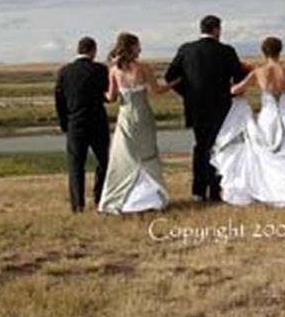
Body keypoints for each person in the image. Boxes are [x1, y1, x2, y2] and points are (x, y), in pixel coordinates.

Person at [211, 36, 285, 207]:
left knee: (266, 156)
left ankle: (270, 191)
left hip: (267, 119)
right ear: (280, 50)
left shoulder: (258, 72)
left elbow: (236, 89)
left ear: (263, 52)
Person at [165, 15, 247, 202]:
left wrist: (187, 93)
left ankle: (198, 191)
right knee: (220, 145)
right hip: (222, 107)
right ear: (216, 29)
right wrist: (230, 93)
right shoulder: (226, 51)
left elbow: (170, 76)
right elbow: (238, 79)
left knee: (201, 146)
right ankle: (216, 190)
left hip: (196, 106)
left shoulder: (186, 50)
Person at [97, 33, 175, 214]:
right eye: (138, 45)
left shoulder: (114, 70)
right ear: (130, 47)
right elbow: (157, 90)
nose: (140, 49)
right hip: (143, 115)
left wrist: (96, 92)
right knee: (146, 152)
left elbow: (111, 97)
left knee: (125, 155)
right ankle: (150, 197)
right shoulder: (144, 68)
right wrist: (174, 83)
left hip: (125, 117)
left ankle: (121, 198)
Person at [54, 36, 110, 213]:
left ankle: (77, 204)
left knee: (76, 164)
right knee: (103, 161)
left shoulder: (64, 72)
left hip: (75, 123)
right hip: (97, 122)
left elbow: (59, 101)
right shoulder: (100, 70)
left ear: (78, 50)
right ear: (93, 50)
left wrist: (65, 123)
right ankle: (100, 197)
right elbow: (106, 95)